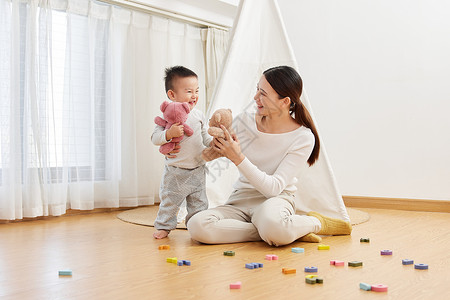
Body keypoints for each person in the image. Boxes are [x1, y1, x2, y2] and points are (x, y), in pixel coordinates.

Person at [187, 66, 352, 246]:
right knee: (196, 225)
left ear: (284, 101)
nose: (255, 97)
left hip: (276, 200)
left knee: (273, 225)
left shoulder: (303, 137)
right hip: (240, 199)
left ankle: (315, 222)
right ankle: (282, 230)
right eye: (257, 89)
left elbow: (274, 188)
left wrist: (238, 157)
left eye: (263, 94)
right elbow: (214, 151)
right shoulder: (246, 121)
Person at [151, 66, 212, 239]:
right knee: (170, 201)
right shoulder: (167, 117)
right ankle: (164, 226)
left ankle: (196, 226)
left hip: (198, 169)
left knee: (199, 203)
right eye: (189, 91)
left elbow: (205, 137)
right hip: (176, 171)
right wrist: (168, 134)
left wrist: (214, 143)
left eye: (197, 91)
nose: (194, 95)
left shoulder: (199, 115)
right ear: (172, 95)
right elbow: (155, 138)